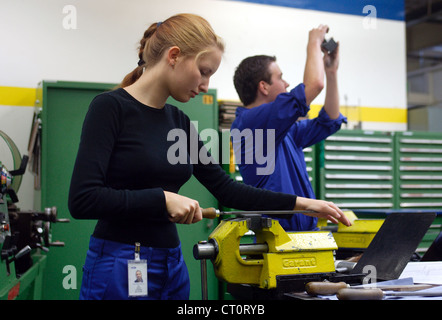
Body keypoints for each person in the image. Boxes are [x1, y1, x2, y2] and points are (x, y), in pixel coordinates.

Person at [68, 15, 351, 300]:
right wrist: (162, 198)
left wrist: (302, 205)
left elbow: (227, 189)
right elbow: (83, 199)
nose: (204, 85)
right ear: (174, 56)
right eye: (203, 71)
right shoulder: (110, 108)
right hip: (120, 263)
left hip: (172, 264)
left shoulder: (178, 121)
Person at [231, 25, 347, 232]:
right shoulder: (249, 124)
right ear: (263, 86)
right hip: (278, 239)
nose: (286, 84)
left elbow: (329, 119)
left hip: (305, 236)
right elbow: (314, 86)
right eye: (280, 77)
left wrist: (331, 71)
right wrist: (314, 42)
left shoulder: (285, 132)